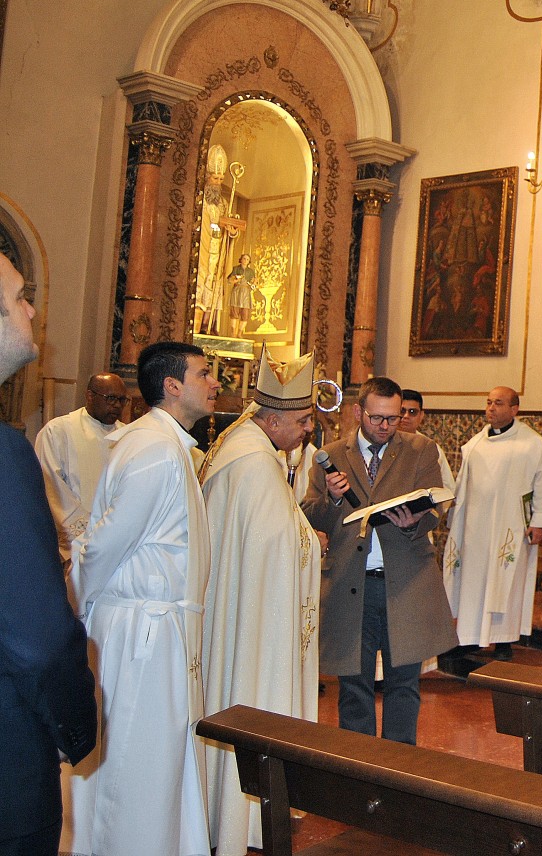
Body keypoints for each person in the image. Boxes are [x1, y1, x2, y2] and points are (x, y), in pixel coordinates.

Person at [67, 340, 221, 855]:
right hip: (142, 633)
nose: (215, 383)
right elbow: (105, 544)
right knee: (136, 764)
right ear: (172, 386)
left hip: (155, 631)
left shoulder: (166, 445)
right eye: (204, 374)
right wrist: (77, 608)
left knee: (157, 760)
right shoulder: (155, 450)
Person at [200, 349, 321, 856]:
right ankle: (246, 814)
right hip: (257, 623)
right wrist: (312, 542)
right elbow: (276, 547)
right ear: (271, 419)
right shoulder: (254, 464)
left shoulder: (241, 447)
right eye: (302, 420)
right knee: (254, 689)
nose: (309, 428)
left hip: (237, 607)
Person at [0, 253, 95, 856]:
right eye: (18, 298)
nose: (32, 311)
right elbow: (36, 637)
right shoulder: (5, 456)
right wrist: (75, 724)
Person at [302, 376, 457, 745]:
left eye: (394, 417)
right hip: (351, 584)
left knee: (403, 683)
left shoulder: (421, 450)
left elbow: (435, 509)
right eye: (377, 418)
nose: (386, 426)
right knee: (354, 684)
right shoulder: (331, 456)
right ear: (359, 412)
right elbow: (311, 515)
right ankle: (359, 764)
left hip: (405, 582)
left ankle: (397, 765)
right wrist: (333, 500)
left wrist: (414, 522)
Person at [443, 385, 542, 661]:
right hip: (476, 528)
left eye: (498, 403)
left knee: (506, 581)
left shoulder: (530, 444)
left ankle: (504, 640)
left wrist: (539, 523)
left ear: (514, 409)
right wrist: (456, 518)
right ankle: (470, 638)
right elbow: (462, 486)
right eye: (488, 402)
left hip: (510, 527)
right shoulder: (475, 445)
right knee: (474, 581)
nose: (491, 408)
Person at [34, 371, 127, 566]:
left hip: (115, 546)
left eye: (122, 400)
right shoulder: (58, 431)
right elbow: (51, 486)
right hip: (74, 548)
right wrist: (86, 536)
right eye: (111, 398)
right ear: (90, 395)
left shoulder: (128, 436)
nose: (117, 406)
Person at [399, 387, 456, 489]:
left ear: (421, 415)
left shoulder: (430, 448)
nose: (406, 416)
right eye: (402, 411)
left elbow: (447, 488)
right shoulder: (383, 442)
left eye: (412, 412)